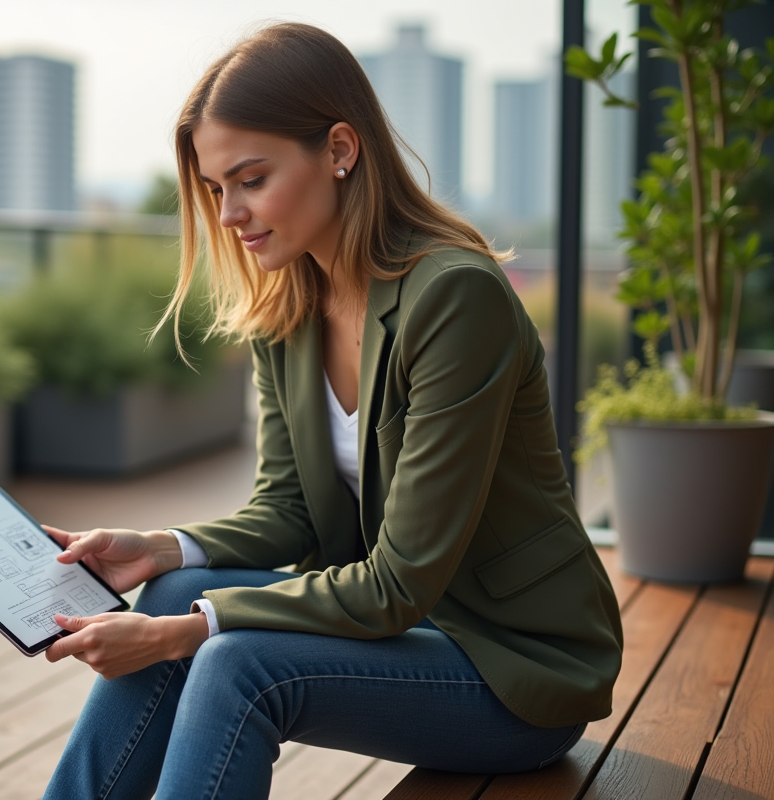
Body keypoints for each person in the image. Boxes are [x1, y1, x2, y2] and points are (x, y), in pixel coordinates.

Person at [40, 22, 623, 800]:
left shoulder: (454, 298)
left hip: (512, 669)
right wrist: (162, 548)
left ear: (341, 149)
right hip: (406, 633)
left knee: (228, 660)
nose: (229, 214)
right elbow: (290, 512)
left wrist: (185, 634)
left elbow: (396, 582)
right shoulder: (288, 309)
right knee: (179, 591)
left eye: (251, 179)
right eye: (217, 190)